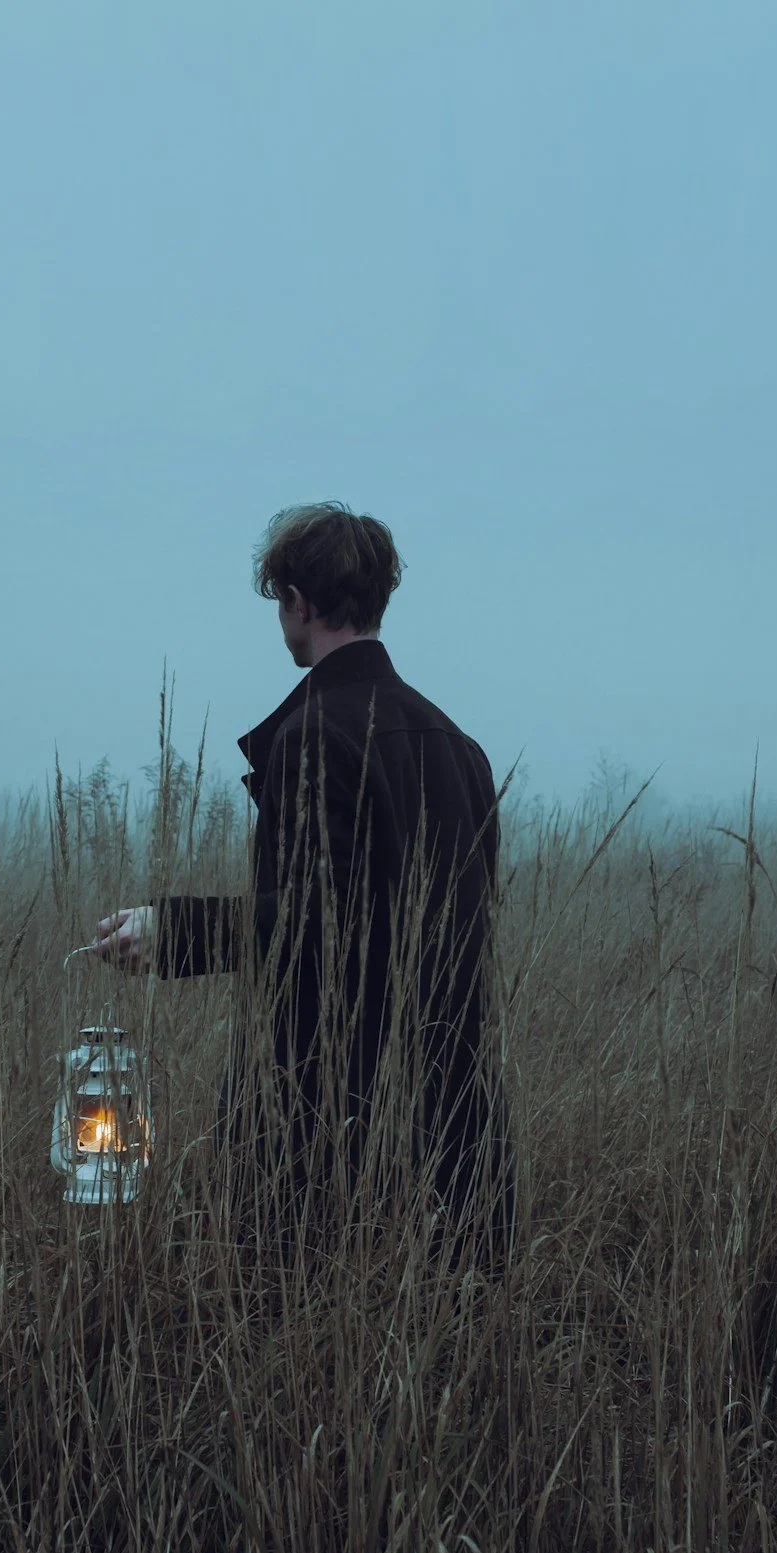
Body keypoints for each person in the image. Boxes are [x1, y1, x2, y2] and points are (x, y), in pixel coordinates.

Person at [91, 501, 513, 1274]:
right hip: (456, 1123)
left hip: (332, 1134)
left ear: (299, 601)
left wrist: (166, 928)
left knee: (310, 1369)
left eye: (279, 601)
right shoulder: (463, 747)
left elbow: (314, 924)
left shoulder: (313, 734)